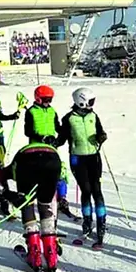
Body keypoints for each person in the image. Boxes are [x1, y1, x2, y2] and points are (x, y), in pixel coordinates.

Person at [0, 141, 62, 272]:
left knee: (26, 205)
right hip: (54, 161)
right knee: (45, 205)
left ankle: (35, 254)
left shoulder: (10, 170)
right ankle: (51, 256)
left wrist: (8, 194)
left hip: (26, 163)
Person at [58, 87, 107, 247]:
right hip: (78, 159)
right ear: (81, 100)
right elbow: (62, 139)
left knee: (97, 191)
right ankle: (87, 223)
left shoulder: (93, 115)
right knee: (86, 191)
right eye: (90, 101)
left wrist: (101, 136)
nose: (93, 104)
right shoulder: (69, 119)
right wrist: (51, 141)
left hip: (94, 157)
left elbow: (100, 131)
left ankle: (101, 224)